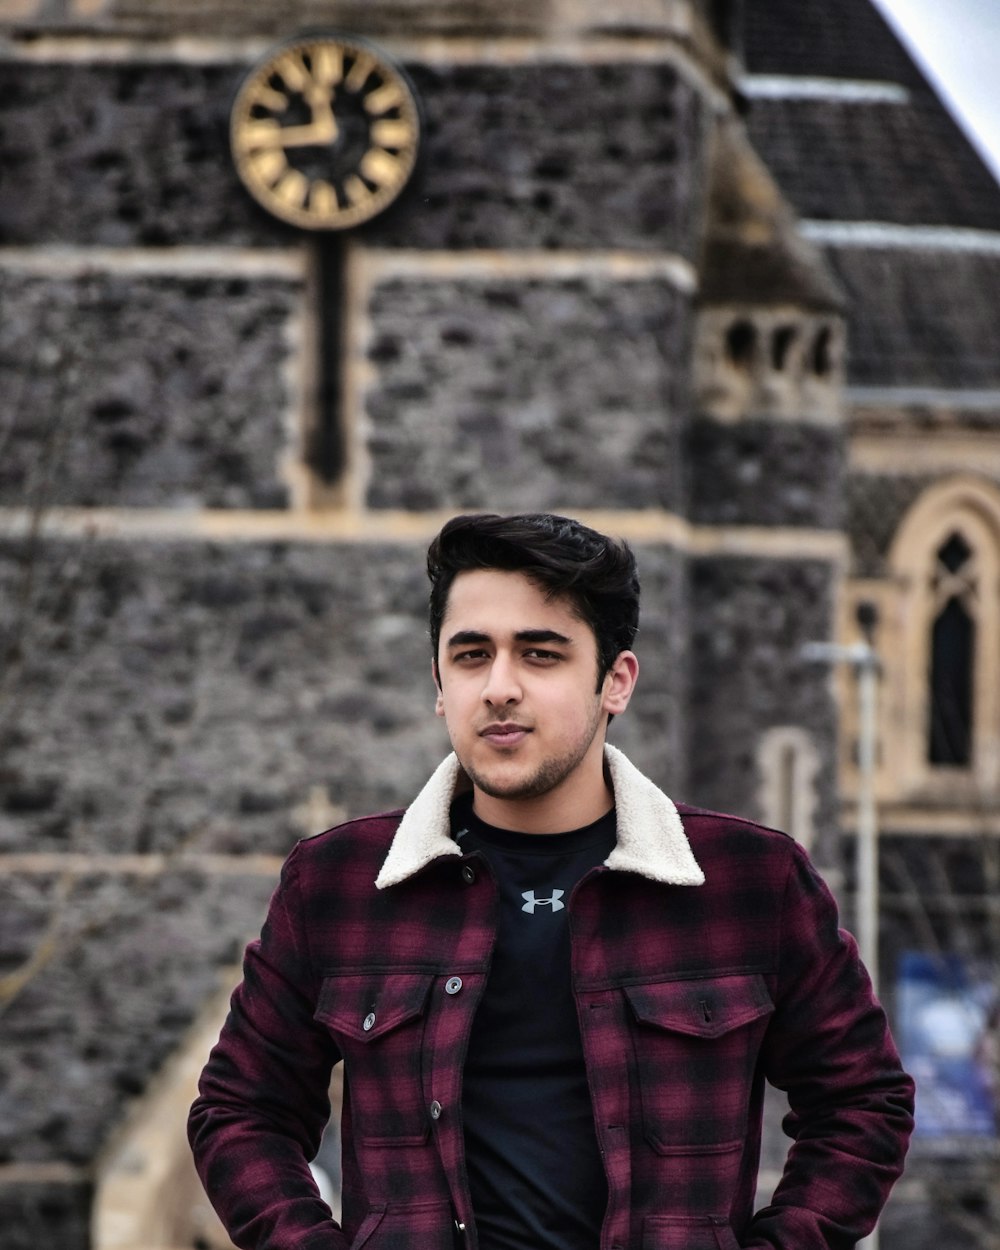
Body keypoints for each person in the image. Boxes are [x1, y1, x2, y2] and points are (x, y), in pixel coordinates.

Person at [188, 512, 914, 1250]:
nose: (499, 687)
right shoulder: (340, 885)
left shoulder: (749, 882)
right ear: (439, 683)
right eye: (471, 656)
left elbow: (863, 1103)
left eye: (540, 655)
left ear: (616, 682)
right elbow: (240, 1112)